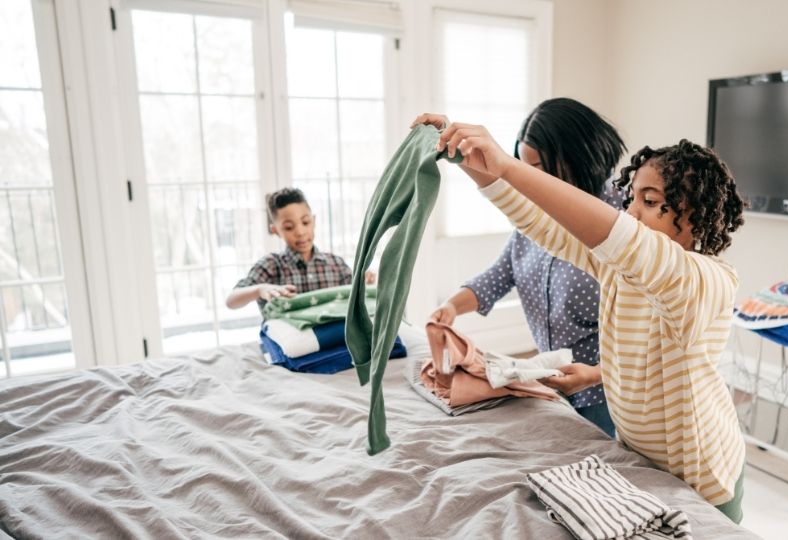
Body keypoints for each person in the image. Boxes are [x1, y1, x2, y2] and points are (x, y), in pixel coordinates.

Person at [416, 115, 748, 523]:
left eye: (650, 201)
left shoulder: (707, 280)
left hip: (703, 479)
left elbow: (629, 244)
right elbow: (542, 226)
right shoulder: (618, 270)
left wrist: (507, 165)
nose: (632, 212)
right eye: (631, 199)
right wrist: (468, 159)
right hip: (643, 462)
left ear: (694, 214)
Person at [423, 98, 626, 437]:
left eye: (539, 168)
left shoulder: (621, 218)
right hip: (552, 382)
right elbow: (501, 274)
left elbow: (649, 334)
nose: (528, 178)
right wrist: (451, 307)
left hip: (606, 391)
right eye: (522, 164)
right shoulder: (535, 215)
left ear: (575, 160)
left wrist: (597, 374)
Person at [226, 187, 371, 314]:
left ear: (313, 221)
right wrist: (259, 290)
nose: (300, 232)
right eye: (289, 227)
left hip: (332, 342)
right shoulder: (271, 265)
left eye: (305, 222)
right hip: (288, 342)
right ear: (275, 230)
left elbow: (356, 296)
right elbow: (231, 301)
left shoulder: (336, 264)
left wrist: (366, 282)